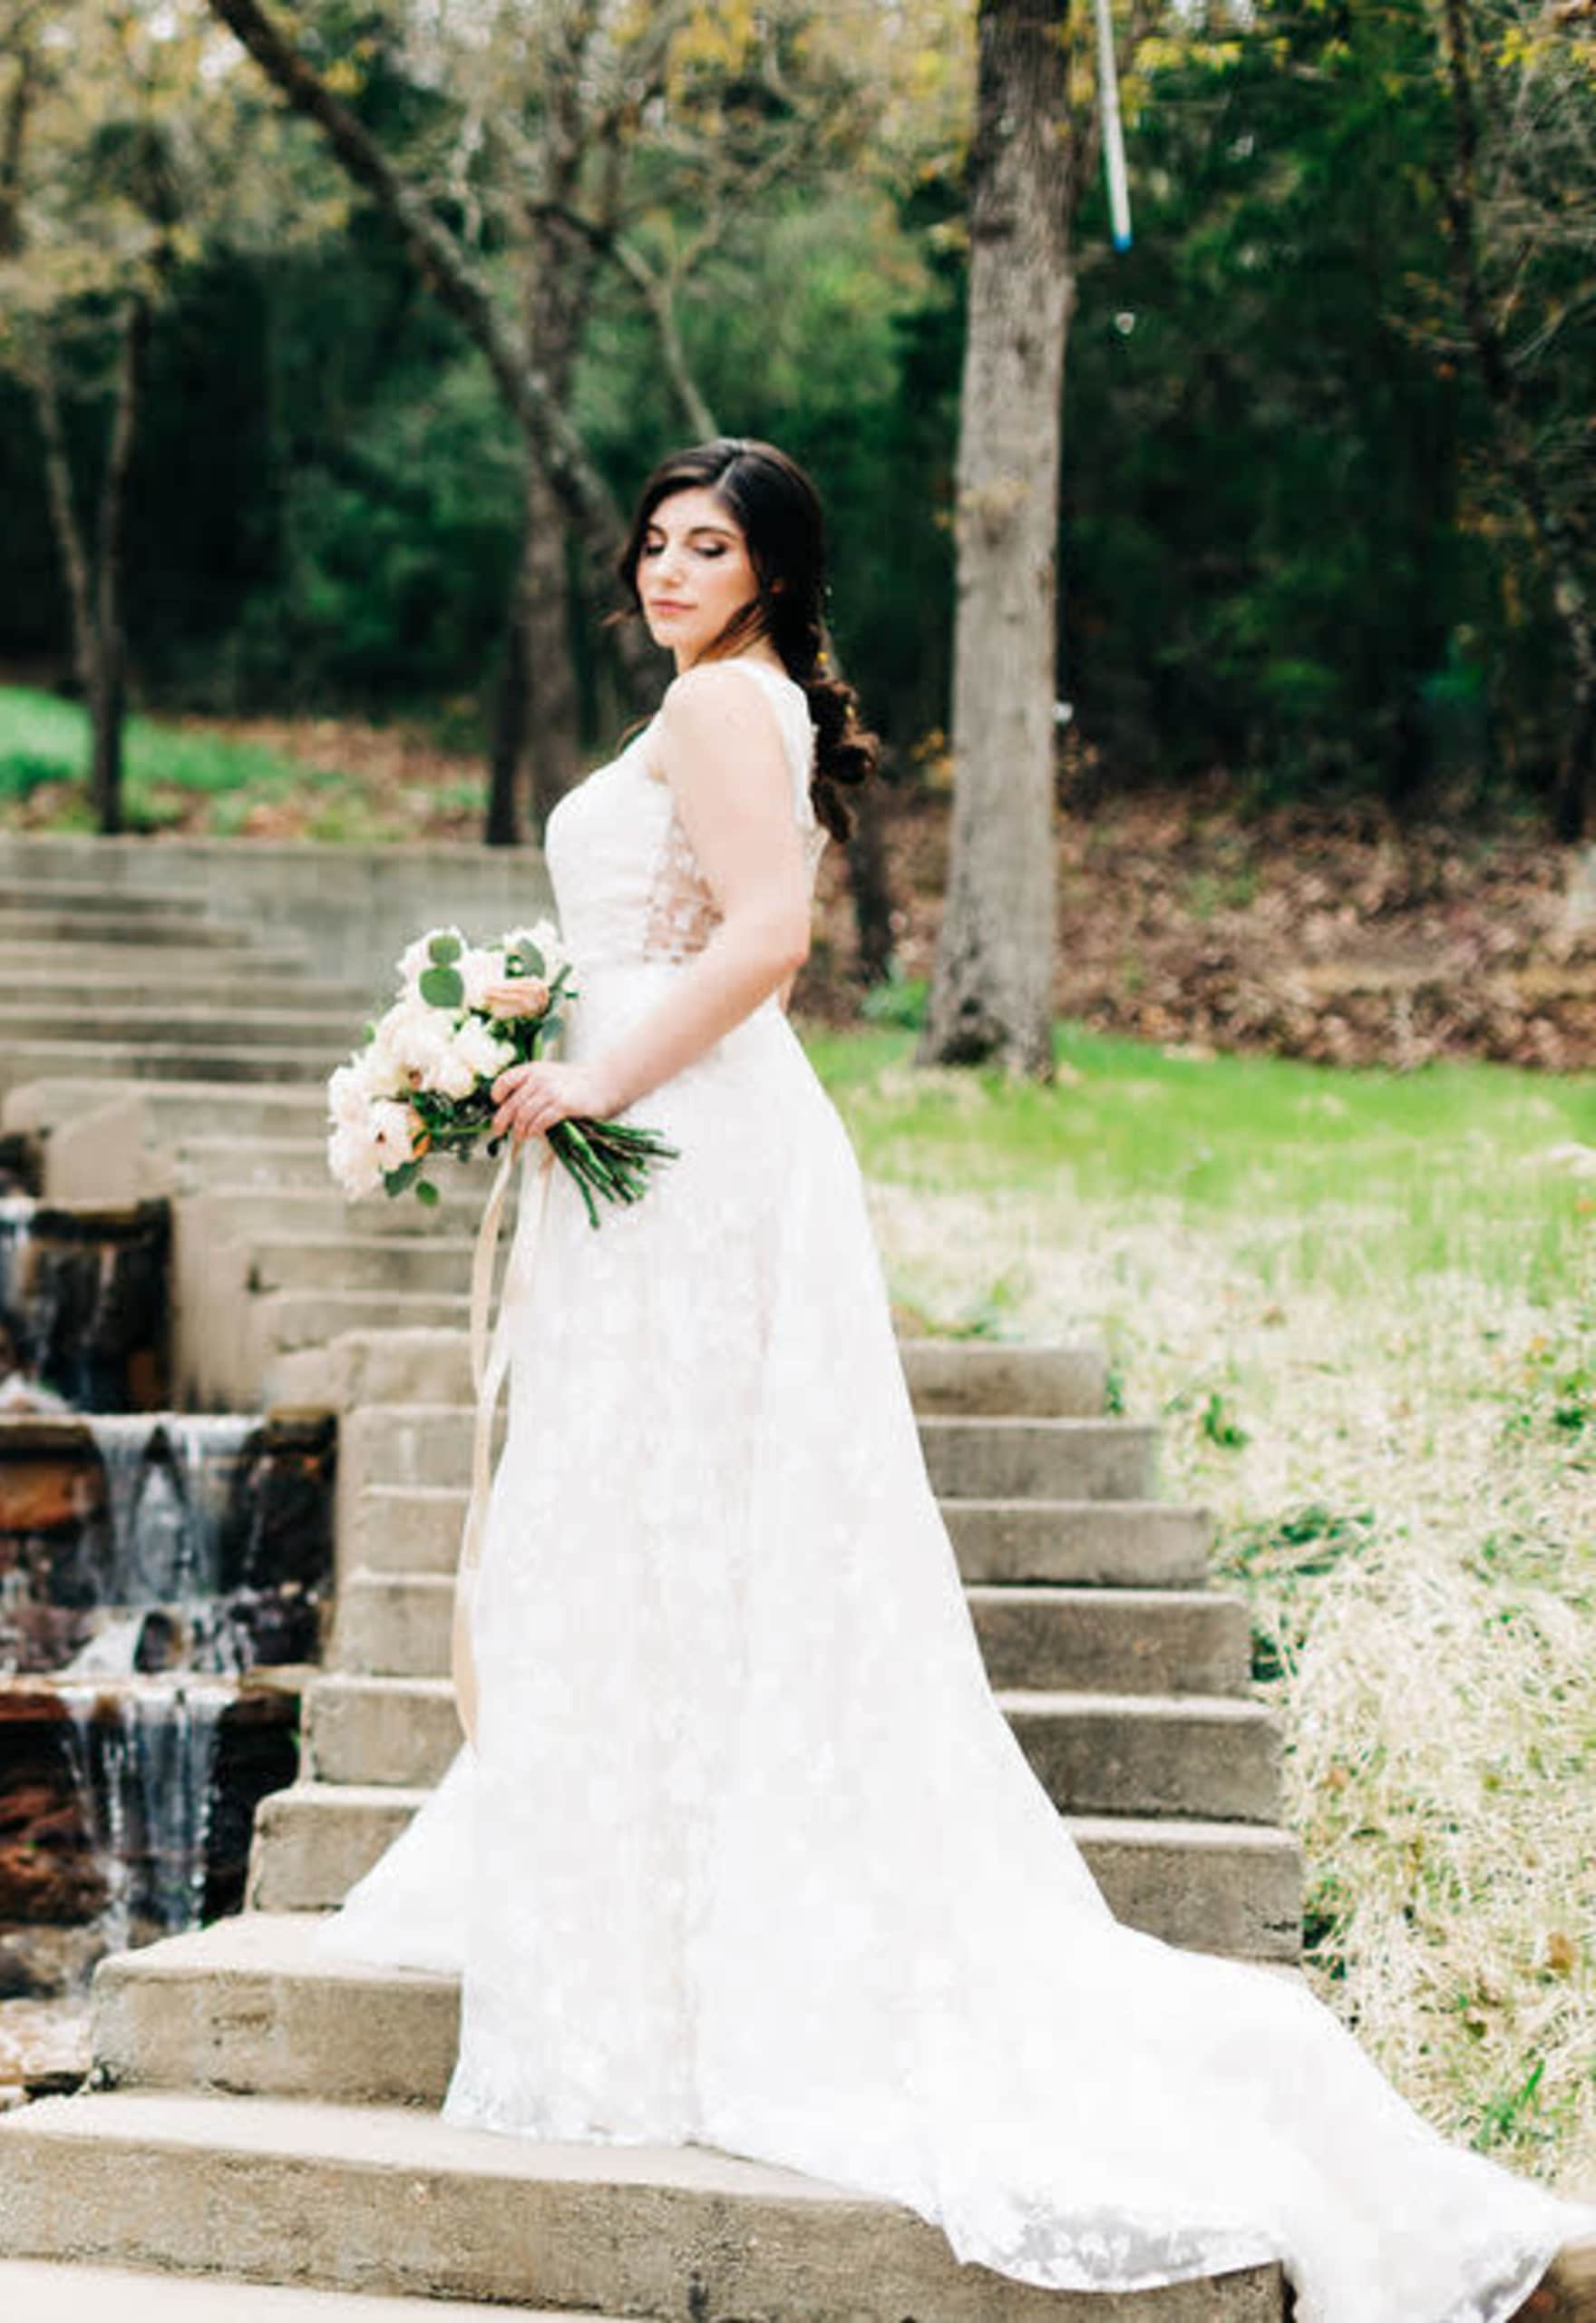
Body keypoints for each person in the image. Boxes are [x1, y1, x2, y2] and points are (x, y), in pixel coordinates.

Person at [315, 435, 1596, 2321]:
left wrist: (590, 1072)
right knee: (626, 1536)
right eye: (656, 543)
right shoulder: (704, 700)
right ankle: (634, 1931)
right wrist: (519, 1037)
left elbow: (766, 939)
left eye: (709, 546)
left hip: (690, 1152)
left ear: (768, 572)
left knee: (671, 1527)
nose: (671, 570)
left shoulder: (730, 712)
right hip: (649, 1156)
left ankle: (693, 1966)